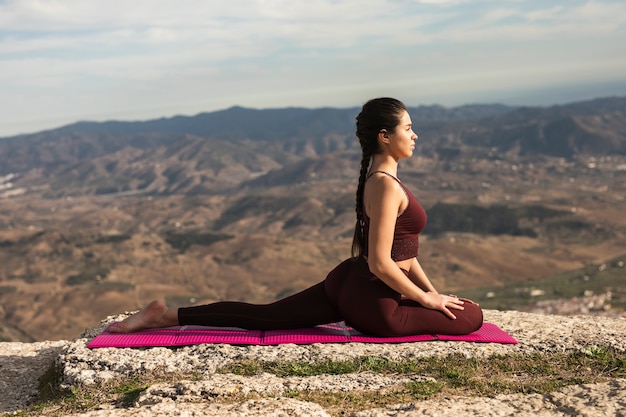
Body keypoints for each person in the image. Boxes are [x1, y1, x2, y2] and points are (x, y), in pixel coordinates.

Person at [109, 97, 483, 337]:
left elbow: (406, 254)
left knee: (267, 316)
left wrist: (429, 293)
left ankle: (164, 315)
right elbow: (382, 262)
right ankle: (164, 316)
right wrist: (427, 301)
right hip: (374, 298)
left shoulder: (383, 179)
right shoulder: (385, 185)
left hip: (354, 283)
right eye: (409, 128)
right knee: (471, 317)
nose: (415, 135)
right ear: (385, 136)